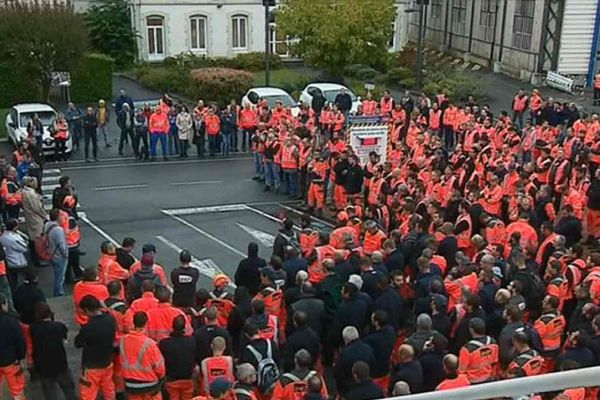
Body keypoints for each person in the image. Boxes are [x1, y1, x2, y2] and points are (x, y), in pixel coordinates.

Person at [30, 303, 77, 400]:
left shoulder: (34, 328)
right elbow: (64, 335)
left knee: (49, 392)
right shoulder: (58, 326)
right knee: (68, 389)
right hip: (60, 363)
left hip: (43, 365)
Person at [74, 295, 117, 400]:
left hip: (91, 366)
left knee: (88, 393)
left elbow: (78, 343)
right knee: (108, 390)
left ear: (87, 310)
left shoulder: (88, 328)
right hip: (107, 362)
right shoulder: (111, 320)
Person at [120, 311, 165, 399]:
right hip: (150, 384)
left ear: (133, 322)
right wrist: (161, 377)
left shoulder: (123, 340)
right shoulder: (150, 344)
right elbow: (159, 367)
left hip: (130, 384)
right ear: (146, 323)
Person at [158, 315, 197, 400]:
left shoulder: (164, 343)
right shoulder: (192, 341)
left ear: (172, 326)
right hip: (187, 378)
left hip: (171, 379)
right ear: (184, 327)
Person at [334, 326, 375, 397]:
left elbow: (338, 374)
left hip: (349, 388)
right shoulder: (368, 349)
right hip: (367, 383)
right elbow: (373, 365)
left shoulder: (344, 354)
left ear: (345, 340)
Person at [0, 295, 26, 400]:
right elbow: (20, 341)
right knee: (17, 390)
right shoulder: (11, 322)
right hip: (11, 362)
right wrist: (21, 357)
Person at [21, 176, 46, 266]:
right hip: (35, 218)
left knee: (32, 237)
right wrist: (44, 216)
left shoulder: (25, 192)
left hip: (30, 216)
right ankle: (37, 259)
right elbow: (37, 208)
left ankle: (34, 257)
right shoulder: (31, 194)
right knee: (37, 238)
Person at [0, 218, 29, 292]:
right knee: (29, 273)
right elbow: (24, 247)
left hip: (9, 260)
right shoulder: (13, 239)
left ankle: (14, 291)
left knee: (13, 279)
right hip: (17, 261)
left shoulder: (3, 236)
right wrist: (20, 234)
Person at [46, 208, 69, 296]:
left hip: (51, 253)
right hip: (59, 256)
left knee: (57, 275)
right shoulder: (58, 230)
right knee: (60, 277)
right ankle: (59, 293)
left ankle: (58, 292)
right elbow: (61, 245)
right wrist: (65, 254)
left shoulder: (47, 225)